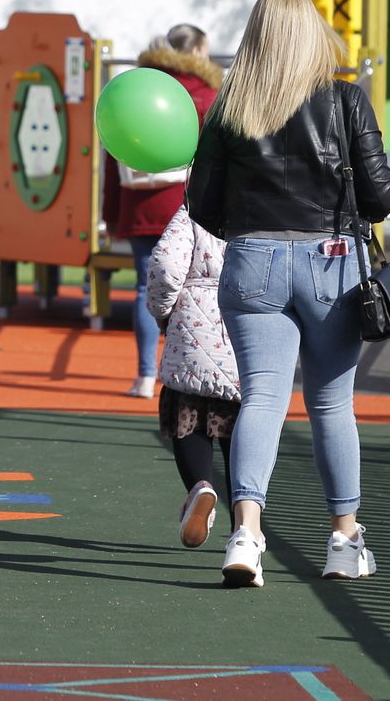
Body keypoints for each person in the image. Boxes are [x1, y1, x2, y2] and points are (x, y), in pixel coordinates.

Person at [187, 0, 390, 588]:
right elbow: (380, 197)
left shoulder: (232, 106)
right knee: (332, 404)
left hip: (253, 258)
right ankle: (344, 539)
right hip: (331, 261)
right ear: (313, 35)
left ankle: (247, 534)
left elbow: (200, 202)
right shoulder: (346, 101)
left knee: (262, 399)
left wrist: (251, 231)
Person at [103, 23, 222, 397]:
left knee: (144, 288)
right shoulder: (207, 95)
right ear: (199, 52)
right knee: (193, 292)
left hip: (139, 204)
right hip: (188, 207)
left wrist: (112, 213)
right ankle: (184, 371)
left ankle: (143, 375)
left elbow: (112, 152)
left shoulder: (136, 87)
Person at [145, 205, 239, 549]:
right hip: (248, 323)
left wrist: (162, 311)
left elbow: (166, 266)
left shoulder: (196, 208)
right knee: (242, 427)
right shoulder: (269, 202)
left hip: (193, 324)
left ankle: (201, 487)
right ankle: (244, 528)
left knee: (188, 412)